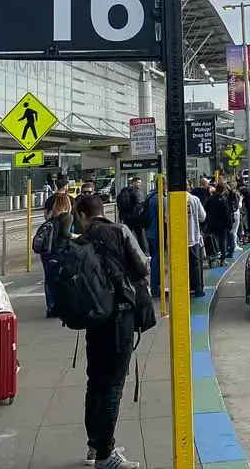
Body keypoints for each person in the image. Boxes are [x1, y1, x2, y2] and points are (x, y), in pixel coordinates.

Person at [74, 195, 148, 469]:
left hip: (94, 319)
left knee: (95, 382)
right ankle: (107, 456)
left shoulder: (80, 240)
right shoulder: (119, 231)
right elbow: (142, 267)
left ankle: (96, 446)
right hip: (120, 317)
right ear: (101, 211)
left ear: (83, 214)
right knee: (112, 387)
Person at [42, 193, 76, 317]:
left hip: (47, 252)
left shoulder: (52, 217)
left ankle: (51, 307)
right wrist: (78, 236)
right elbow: (66, 234)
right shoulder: (68, 217)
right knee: (62, 279)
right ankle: (63, 306)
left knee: (49, 280)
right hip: (60, 251)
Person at [116, 177, 149, 253]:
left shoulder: (123, 192)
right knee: (141, 237)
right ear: (133, 182)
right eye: (138, 182)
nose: (140, 184)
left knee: (127, 236)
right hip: (136, 218)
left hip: (127, 219)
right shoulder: (137, 192)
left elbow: (120, 206)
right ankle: (144, 253)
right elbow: (140, 204)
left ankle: (124, 252)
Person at [204, 180, 232, 267]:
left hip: (212, 224)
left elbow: (206, 211)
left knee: (212, 242)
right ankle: (222, 260)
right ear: (223, 190)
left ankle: (213, 258)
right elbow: (227, 214)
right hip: (222, 225)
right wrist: (229, 224)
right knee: (222, 242)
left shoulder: (210, 199)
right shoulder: (224, 200)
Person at [186, 188, 206, 297]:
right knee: (196, 264)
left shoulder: (171, 199)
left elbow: (166, 219)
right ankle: (198, 289)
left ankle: (186, 288)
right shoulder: (194, 199)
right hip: (193, 237)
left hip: (178, 240)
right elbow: (203, 217)